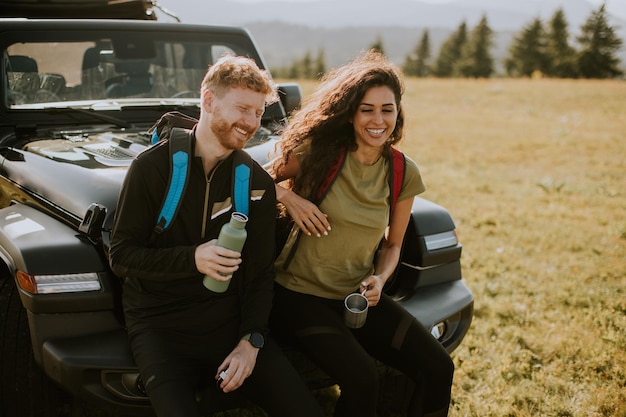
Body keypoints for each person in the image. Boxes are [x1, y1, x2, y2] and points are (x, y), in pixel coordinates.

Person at [109, 55, 325, 417]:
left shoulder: (256, 182)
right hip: (159, 327)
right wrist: (193, 258)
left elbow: (259, 273)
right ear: (208, 101)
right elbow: (122, 257)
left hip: (227, 322)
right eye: (242, 108)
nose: (251, 123)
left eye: (258, 112)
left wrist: (251, 340)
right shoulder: (151, 168)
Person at [269, 50, 454, 417]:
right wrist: (289, 197)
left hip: (356, 298)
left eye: (387, 109)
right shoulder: (318, 153)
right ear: (350, 112)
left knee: (438, 367)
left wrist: (381, 279)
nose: (377, 119)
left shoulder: (403, 171)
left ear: (398, 113)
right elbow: (250, 177)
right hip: (298, 298)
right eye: (367, 109)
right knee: (363, 380)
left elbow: (394, 243)